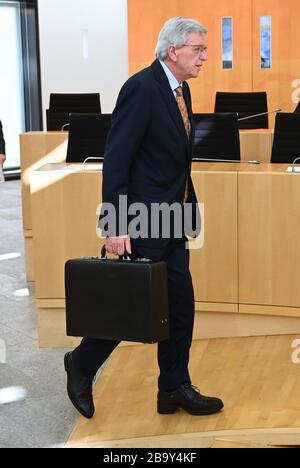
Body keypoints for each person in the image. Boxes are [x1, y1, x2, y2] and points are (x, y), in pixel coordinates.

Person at [64, 16, 224, 419]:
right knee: (132, 306)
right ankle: (81, 363)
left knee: (180, 305)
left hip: (173, 220)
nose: (204, 56)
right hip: (142, 219)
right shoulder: (141, 88)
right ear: (173, 51)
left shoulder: (179, 89)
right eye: (198, 49)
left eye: (204, 49)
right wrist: (115, 224)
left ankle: (173, 386)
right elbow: (117, 159)